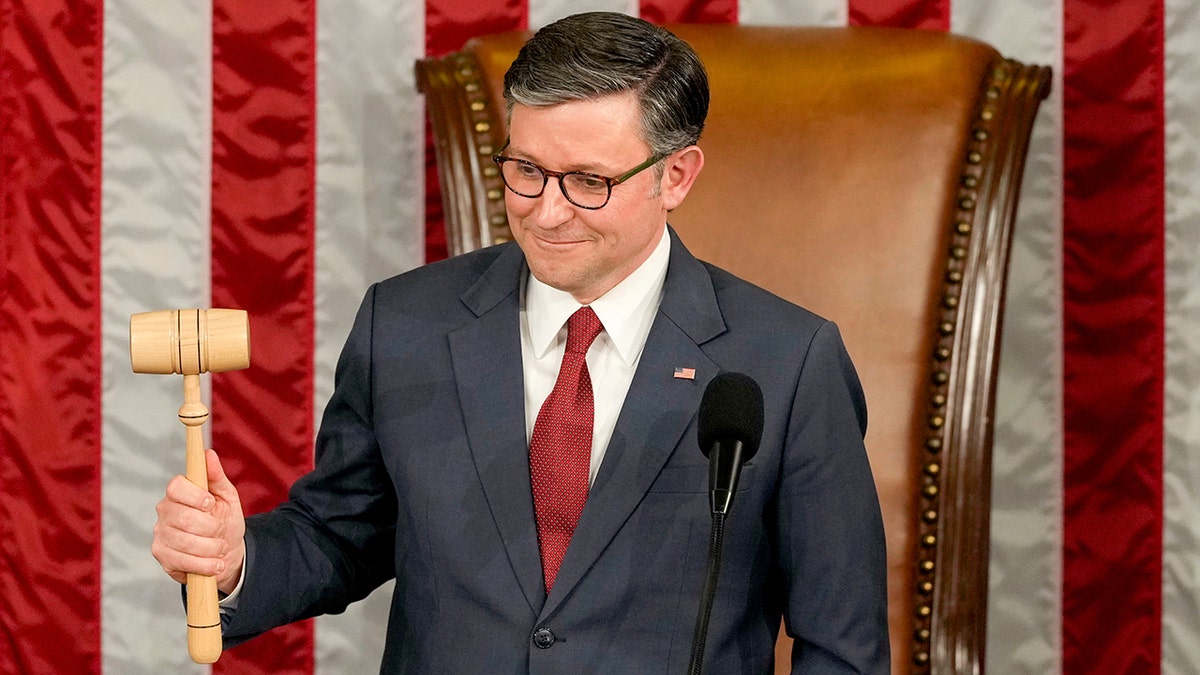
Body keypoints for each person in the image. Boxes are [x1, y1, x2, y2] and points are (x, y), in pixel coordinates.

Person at [151, 11, 890, 673]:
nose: (547, 212)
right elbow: (341, 535)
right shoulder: (404, 323)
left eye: (588, 182)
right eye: (527, 170)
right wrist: (235, 559)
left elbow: (842, 648)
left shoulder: (788, 364)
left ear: (675, 175)